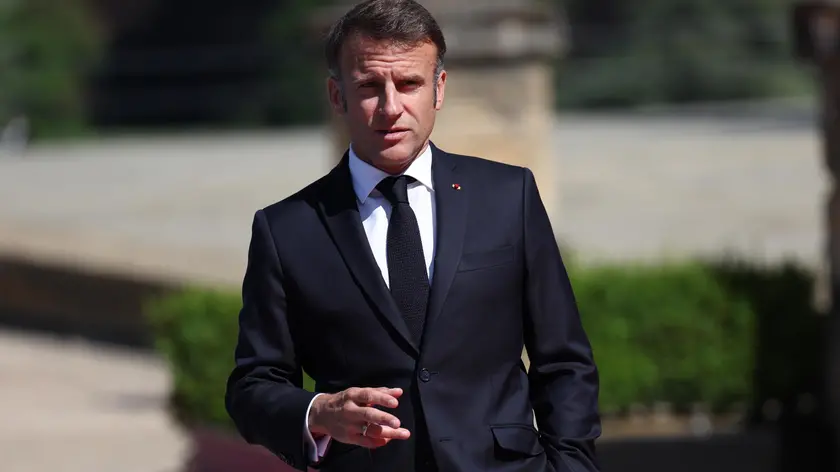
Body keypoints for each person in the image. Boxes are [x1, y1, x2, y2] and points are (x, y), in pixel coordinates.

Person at [224, 1, 601, 471]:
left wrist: (572, 466)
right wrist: (317, 412)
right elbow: (251, 387)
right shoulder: (287, 228)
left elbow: (564, 361)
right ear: (336, 95)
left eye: (409, 84)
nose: (390, 107)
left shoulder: (508, 197)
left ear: (438, 89)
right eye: (368, 86)